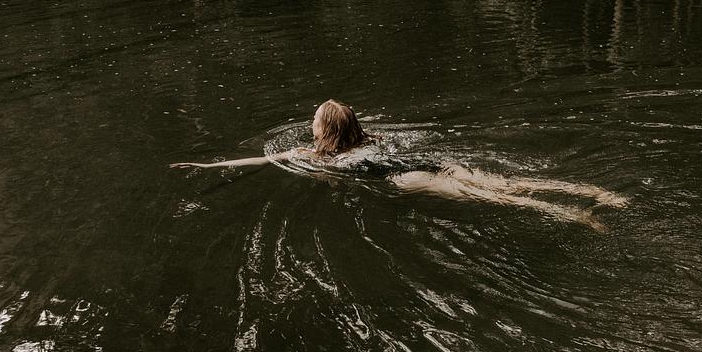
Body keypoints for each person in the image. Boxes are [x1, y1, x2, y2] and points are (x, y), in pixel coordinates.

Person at [172, 100, 627, 228]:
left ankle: (574, 215)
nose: (310, 125)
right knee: (507, 182)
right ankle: (592, 193)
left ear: (323, 131)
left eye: (314, 121)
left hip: (408, 179)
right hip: (431, 160)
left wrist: (204, 166)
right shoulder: (375, 138)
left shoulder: (315, 157)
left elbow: (263, 156)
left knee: (501, 201)